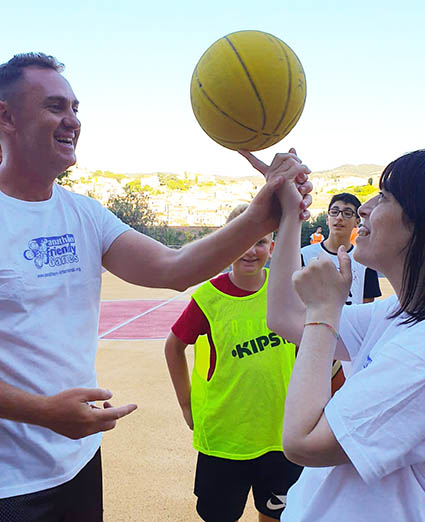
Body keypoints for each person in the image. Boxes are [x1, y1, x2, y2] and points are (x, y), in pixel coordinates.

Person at [0, 52, 312, 521]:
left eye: (76, 108)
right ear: (5, 116)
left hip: (77, 459)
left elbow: (174, 267)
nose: (72, 121)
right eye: (54, 107)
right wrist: (41, 411)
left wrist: (263, 212)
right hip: (11, 481)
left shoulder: (84, 214)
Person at [243, 149, 425, 521]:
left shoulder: (418, 354)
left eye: (385, 197)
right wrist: (289, 214)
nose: (365, 208)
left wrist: (325, 310)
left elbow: (302, 442)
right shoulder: (397, 314)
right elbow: (284, 316)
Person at [165, 203, 303, 522]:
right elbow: (174, 347)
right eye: (242, 240)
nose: (250, 250)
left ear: (272, 244)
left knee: (276, 515)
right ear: (228, 241)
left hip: (279, 433)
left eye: (260, 241)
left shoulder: (286, 289)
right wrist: (186, 404)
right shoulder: (208, 299)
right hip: (225, 437)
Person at [302, 193, 381, 306]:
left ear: (357, 222)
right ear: (327, 219)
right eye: (334, 212)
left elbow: (367, 305)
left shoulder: (365, 261)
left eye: (347, 213)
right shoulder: (304, 255)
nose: (339, 218)